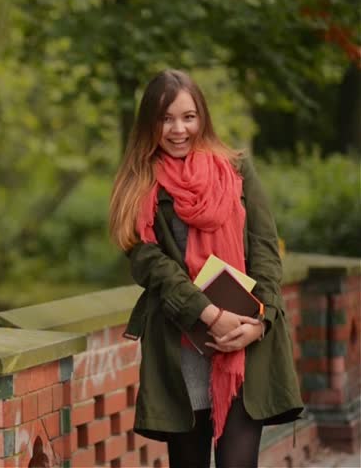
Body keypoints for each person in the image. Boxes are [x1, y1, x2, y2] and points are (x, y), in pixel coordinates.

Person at [109, 69, 303, 468]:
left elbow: (265, 250)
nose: (178, 129)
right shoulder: (140, 182)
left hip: (246, 344)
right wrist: (208, 314)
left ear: (203, 118)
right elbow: (148, 262)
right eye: (166, 118)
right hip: (182, 347)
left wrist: (259, 321)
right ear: (149, 123)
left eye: (188, 116)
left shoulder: (236, 170)